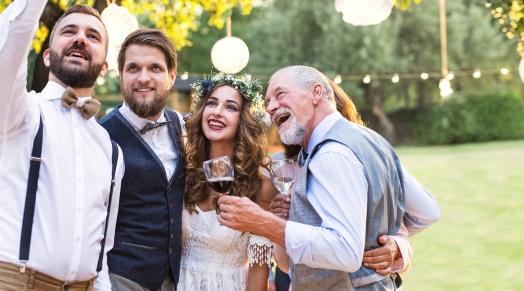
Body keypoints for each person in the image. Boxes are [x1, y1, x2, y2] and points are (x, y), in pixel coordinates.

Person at [0, 0, 124, 291]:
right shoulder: (18, 112)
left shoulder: (110, 150)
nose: (80, 39)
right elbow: (4, 60)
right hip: (7, 281)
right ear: (48, 57)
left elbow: (102, 244)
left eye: (92, 36)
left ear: (103, 66)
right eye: (69, 32)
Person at [218, 66, 438, 290]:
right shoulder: (370, 139)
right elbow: (427, 212)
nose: (271, 107)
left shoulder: (330, 154)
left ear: (316, 93)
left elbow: (345, 251)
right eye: (268, 102)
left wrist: (263, 223)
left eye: (280, 94)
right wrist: (380, 239)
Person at [98, 29, 184, 291]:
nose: (143, 78)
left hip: (176, 278)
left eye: (155, 68)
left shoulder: (181, 125)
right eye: (133, 68)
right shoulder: (101, 136)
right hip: (121, 278)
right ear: (121, 76)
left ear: (171, 76)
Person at [179, 73, 278, 290]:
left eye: (230, 107)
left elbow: (258, 269)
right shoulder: (184, 173)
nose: (217, 111)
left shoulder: (260, 185)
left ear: (244, 120)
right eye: (212, 103)